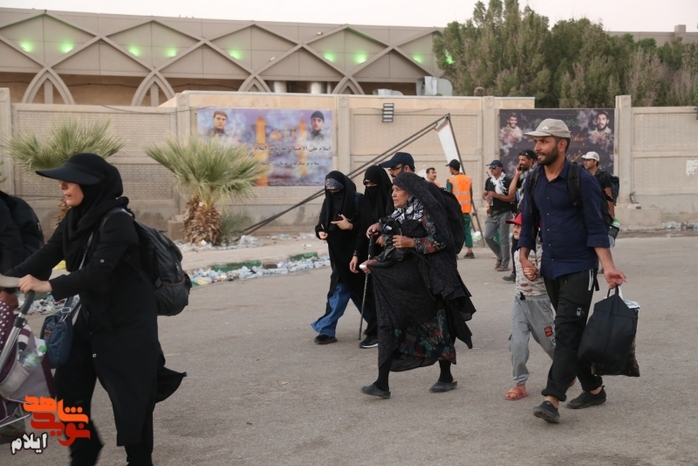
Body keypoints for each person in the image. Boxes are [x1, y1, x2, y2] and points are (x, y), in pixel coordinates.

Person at [6, 153, 185, 464]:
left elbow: (99, 270)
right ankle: (84, 452)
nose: (62, 187)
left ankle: (139, 461)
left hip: (128, 325)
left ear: (91, 186)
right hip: (92, 319)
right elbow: (47, 255)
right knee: (68, 392)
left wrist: (49, 286)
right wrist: (7, 281)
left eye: (69, 182)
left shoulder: (118, 221)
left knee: (132, 401)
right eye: (62, 182)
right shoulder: (75, 219)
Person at [519, 119, 626, 424]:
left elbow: (596, 226)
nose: (537, 147)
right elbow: (528, 221)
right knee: (572, 332)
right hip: (551, 267)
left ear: (562, 144)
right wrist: (524, 257)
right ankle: (594, 389)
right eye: (536, 142)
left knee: (565, 331)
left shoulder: (582, 179)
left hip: (580, 266)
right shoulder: (534, 179)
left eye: (544, 142)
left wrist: (607, 267)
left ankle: (552, 398)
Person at [359, 172, 475, 399]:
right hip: (402, 284)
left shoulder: (425, 212)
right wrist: (377, 259)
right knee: (388, 324)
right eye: (392, 190)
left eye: (398, 190)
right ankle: (382, 383)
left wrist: (413, 242)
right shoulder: (398, 215)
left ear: (410, 192)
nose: (393, 194)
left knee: (438, 327)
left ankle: (446, 376)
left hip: (429, 282)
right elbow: (394, 245)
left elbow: (442, 240)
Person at [311, 171, 376, 346]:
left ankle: (327, 328)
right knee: (347, 289)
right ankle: (375, 325)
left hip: (356, 253)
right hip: (337, 255)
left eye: (337, 191)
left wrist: (350, 226)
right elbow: (321, 223)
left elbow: (366, 225)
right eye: (330, 191)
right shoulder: (328, 201)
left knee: (351, 290)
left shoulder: (358, 200)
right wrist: (320, 232)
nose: (334, 195)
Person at [504, 213, 555, 401]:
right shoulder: (518, 250)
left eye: (520, 226)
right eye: (515, 226)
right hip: (520, 301)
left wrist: (535, 272)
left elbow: (545, 272)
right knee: (517, 343)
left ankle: (565, 370)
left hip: (539, 304)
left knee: (550, 344)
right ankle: (520, 384)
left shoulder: (541, 251)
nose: (516, 229)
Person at [349, 166, 393, 348]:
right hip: (372, 253)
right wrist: (356, 254)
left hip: (391, 253)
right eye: (366, 184)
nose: (369, 187)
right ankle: (377, 329)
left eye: (373, 184)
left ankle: (380, 332)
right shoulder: (367, 201)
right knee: (374, 294)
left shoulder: (392, 199)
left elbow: (397, 222)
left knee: (386, 294)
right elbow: (362, 229)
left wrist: (385, 234)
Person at [502, 149, 536, 282]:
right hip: (521, 212)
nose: (520, 163)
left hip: (532, 213)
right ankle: (516, 272)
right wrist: (517, 175)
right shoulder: (522, 175)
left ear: (531, 160)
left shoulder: (537, 173)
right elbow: (511, 194)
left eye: (523, 160)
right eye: (519, 160)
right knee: (516, 241)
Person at [482, 160, 514, 271]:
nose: (492, 170)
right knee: (487, 236)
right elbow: (484, 193)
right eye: (490, 168)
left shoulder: (507, 181)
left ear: (500, 168)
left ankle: (504, 263)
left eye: (494, 167)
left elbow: (511, 198)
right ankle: (500, 255)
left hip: (504, 212)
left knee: (503, 239)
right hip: (492, 212)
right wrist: (486, 196)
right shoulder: (489, 180)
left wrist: (496, 196)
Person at [445, 159, 475, 259]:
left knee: (454, 230)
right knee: (467, 230)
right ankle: (470, 251)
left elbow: (448, 196)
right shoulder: (468, 179)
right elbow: (471, 194)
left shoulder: (450, 180)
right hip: (466, 209)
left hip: (455, 211)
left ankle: (454, 252)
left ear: (452, 168)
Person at [581, 151, 615, 220]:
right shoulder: (583, 175)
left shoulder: (603, 176)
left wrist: (612, 215)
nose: (585, 162)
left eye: (588, 160)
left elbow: (609, 196)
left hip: (601, 212)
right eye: (585, 160)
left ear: (595, 162)